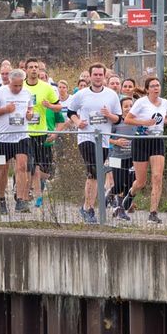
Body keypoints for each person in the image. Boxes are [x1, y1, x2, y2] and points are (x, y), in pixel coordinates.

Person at [67, 64, 122, 224]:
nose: (97, 77)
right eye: (95, 74)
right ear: (89, 77)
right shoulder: (81, 94)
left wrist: (109, 115)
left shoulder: (111, 95)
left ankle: (85, 208)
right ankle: (89, 209)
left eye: (100, 74)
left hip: (104, 140)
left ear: (104, 76)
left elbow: (119, 119)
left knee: (97, 174)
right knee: (93, 171)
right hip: (86, 138)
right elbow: (70, 112)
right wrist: (78, 122)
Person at [125, 77, 167, 223]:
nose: (156, 88)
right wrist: (144, 122)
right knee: (141, 182)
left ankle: (153, 213)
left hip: (156, 141)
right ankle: (130, 195)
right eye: (153, 86)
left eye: (158, 85)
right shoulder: (141, 102)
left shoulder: (165, 102)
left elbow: (160, 120)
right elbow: (128, 119)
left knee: (157, 177)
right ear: (147, 89)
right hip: (141, 141)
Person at [0, 68, 35, 215]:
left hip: (21, 136)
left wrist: (30, 114)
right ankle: (1, 199)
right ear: (9, 81)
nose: (18, 88)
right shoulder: (0, 93)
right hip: (3, 138)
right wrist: (5, 109)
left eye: (20, 85)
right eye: (15, 86)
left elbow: (31, 110)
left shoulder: (27, 93)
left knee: (22, 166)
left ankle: (20, 200)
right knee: (3, 171)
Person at [22, 58, 62, 207]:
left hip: (41, 132)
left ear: (39, 70)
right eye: (30, 67)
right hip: (25, 133)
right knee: (31, 166)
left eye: (36, 67)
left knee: (43, 169)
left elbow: (59, 108)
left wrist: (49, 105)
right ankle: (31, 195)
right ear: (25, 70)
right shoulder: (21, 87)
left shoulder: (47, 88)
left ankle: (35, 189)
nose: (33, 69)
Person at [107, 96, 139, 220]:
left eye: (131, 106)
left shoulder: (136, 121)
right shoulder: (116, 122)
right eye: (125, 106)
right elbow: (105, 137)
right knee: (119, 184)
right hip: (116, 156)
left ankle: (121, 210)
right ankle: (109, 197)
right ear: (120, 109)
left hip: (132, 157)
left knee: (130, 184)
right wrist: (116, 142)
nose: (128, 108)